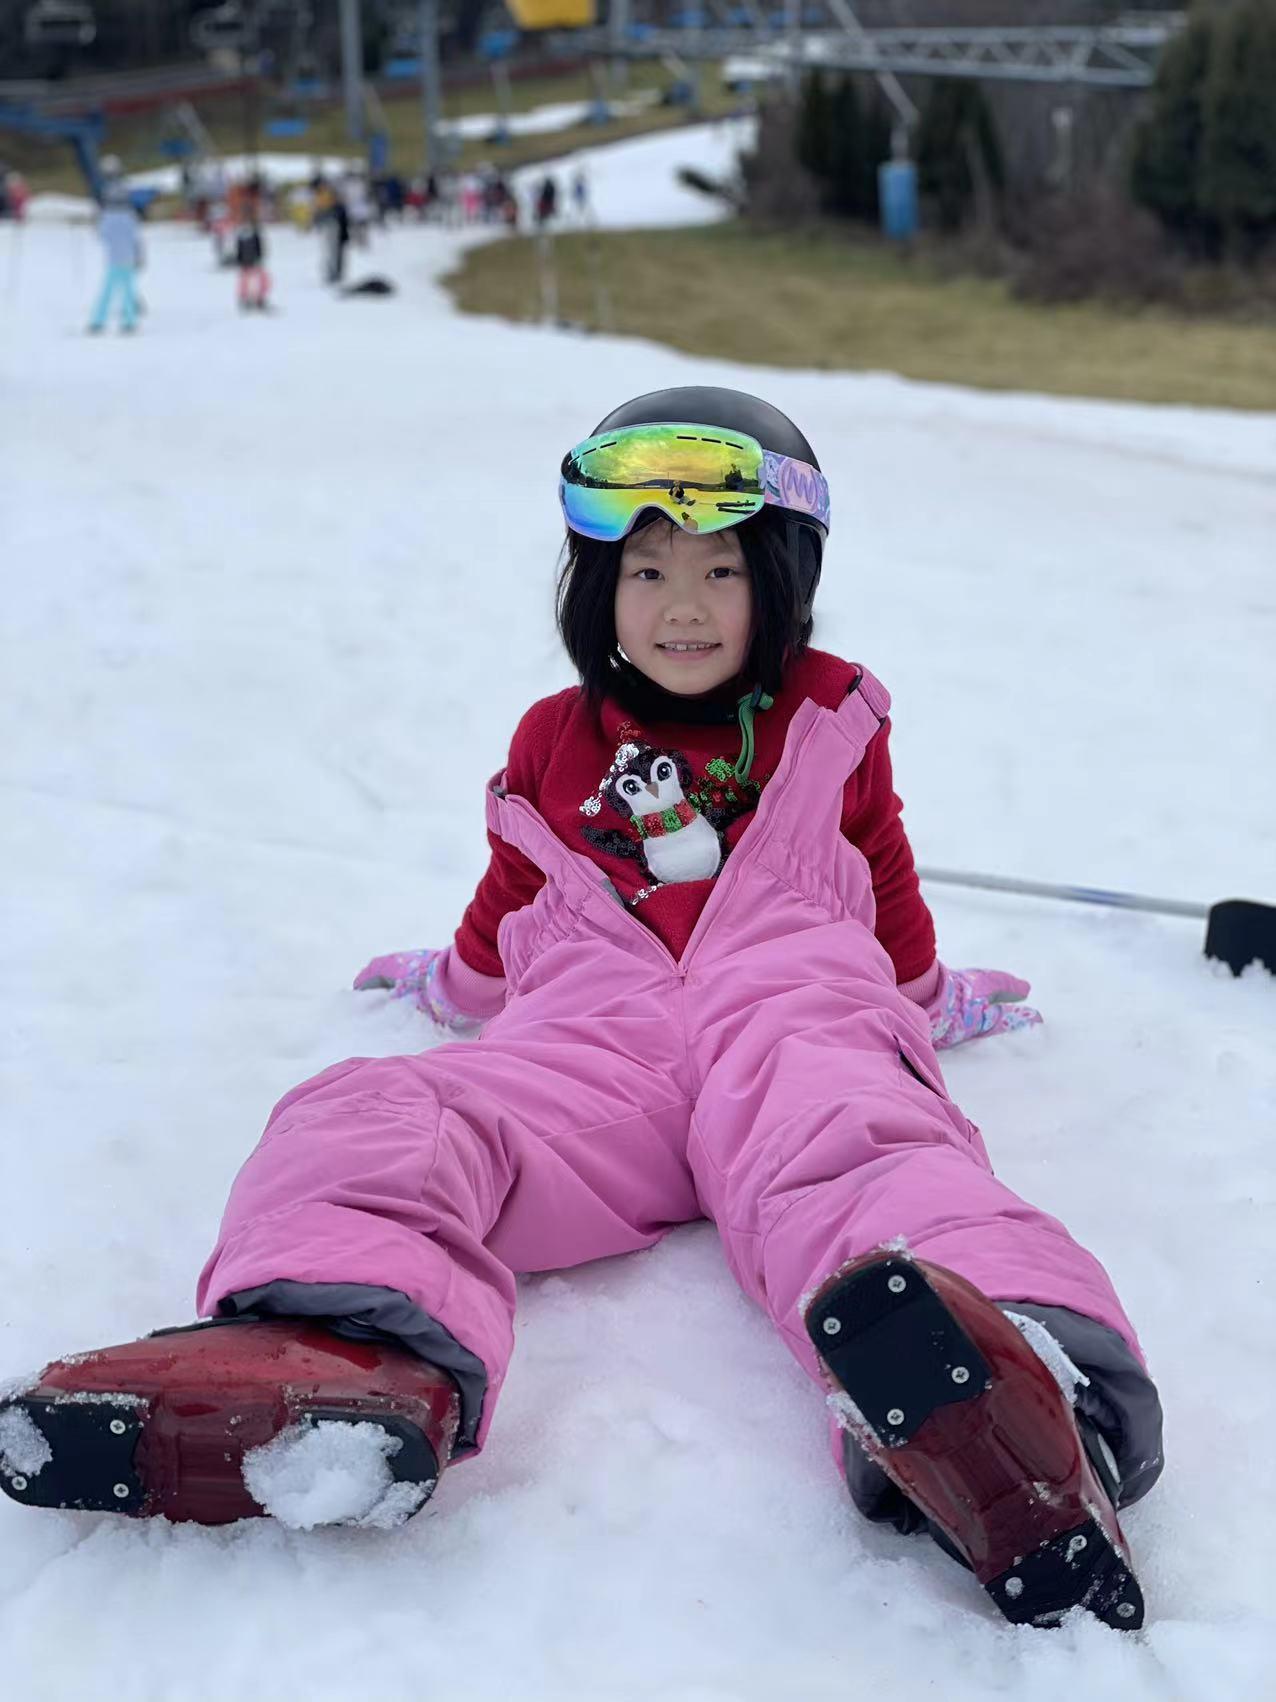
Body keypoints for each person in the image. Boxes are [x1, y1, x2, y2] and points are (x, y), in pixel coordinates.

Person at [0, 388, 1161, 1631]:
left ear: (784, 580)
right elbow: (509, 892)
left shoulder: (829, 716)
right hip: (593, 1046)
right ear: (597, 586)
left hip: (792, 1014)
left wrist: (929, 997)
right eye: (646, 570)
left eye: (720, 571)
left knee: (872, 1154)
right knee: (376, 1111)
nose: (680, 605)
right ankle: (340, 1349)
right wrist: (449, 984)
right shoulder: (553, 739)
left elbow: (882, 872)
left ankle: (1006, 1389)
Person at [87, 185, 143, 335]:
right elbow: (135, 238)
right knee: (128, 291)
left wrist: (95, 222)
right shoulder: (130, 216)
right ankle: (129, 321)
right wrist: (138, 256)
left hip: (113, 259)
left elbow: (102, 236)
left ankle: (98, 320)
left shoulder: (107, 217)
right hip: (128, 258)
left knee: (107, 291)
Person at [233, 219, 271, 312]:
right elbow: (239, 250)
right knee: (245, 282)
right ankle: (246, 298)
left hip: (255, 262)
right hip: (245, 263)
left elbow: (259, 247)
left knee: (262, 280)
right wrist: (240, 261)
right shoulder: (240, 237)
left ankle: (259, 298)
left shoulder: (255, 235)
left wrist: (259, 258)